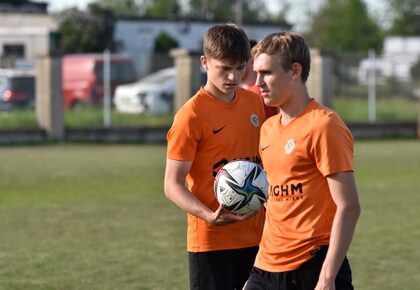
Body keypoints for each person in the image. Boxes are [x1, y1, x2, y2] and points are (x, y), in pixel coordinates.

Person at [244, 32, 361, 290]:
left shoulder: (324, 125)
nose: (258, 82)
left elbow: (349, 206)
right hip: (265, 267)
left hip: (312, 267)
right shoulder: (268, 128)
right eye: (257, 73)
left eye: (267, 73)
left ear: (295, 71)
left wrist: (327, 277)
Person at [164, 23, 266, 290]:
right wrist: (209, 216)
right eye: (224, 68)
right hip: (211, 241)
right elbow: (172, 184)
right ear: (205, 62)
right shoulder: (191, 116)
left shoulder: (253, 103)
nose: (233, 77)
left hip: (258, 238)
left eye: (240, 67)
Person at [241, 39, 279, 119]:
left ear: (252, 61)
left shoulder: (257, 94)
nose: (234, 65)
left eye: (239, 60)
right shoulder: (254, 91)